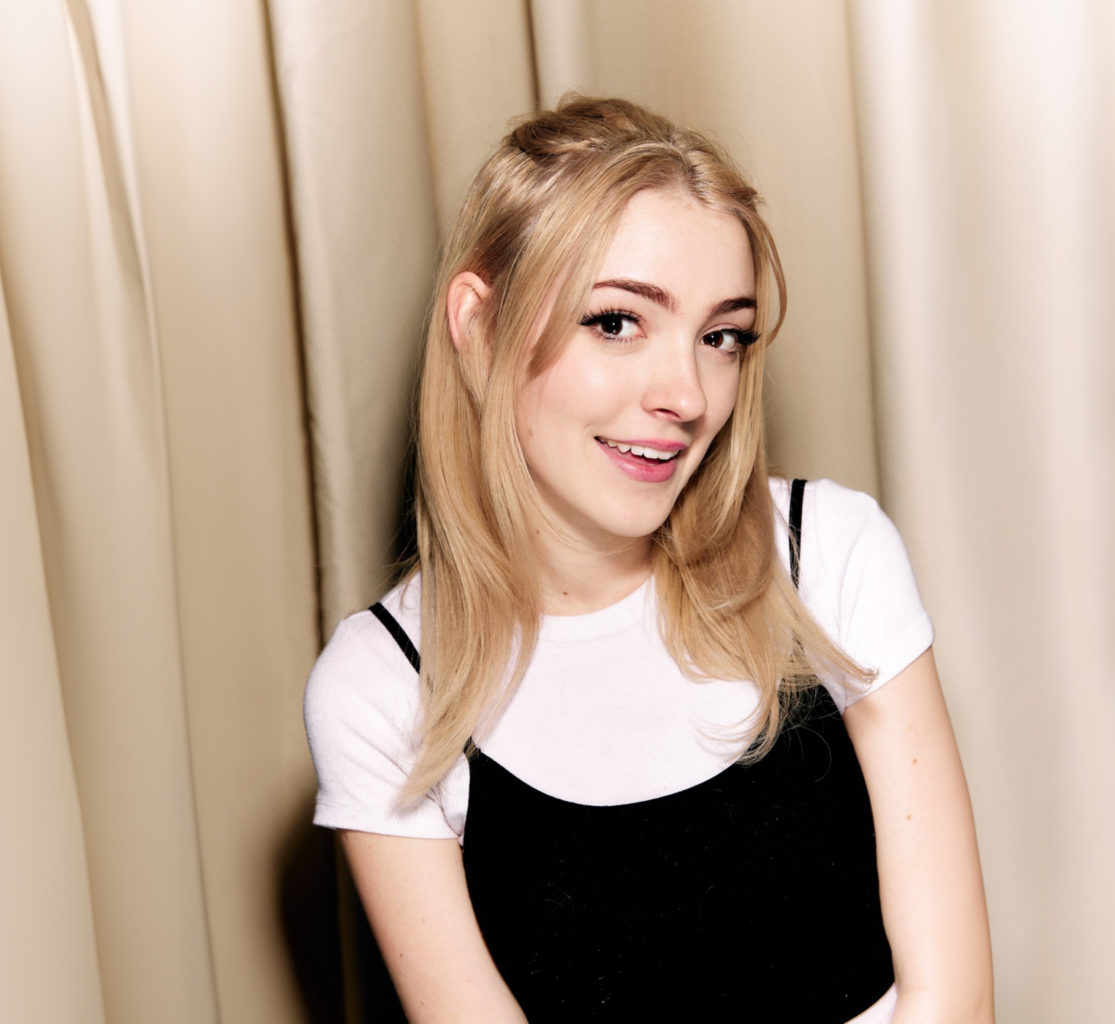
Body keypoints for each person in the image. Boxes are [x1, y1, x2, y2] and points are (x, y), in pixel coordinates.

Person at [303, 97, 994, 1023]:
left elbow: (952, 1001)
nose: (687, 396)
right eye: (616, 322)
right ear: (476, 325)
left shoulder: (827, 551)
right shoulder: (381, 683)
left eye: (721, 336)